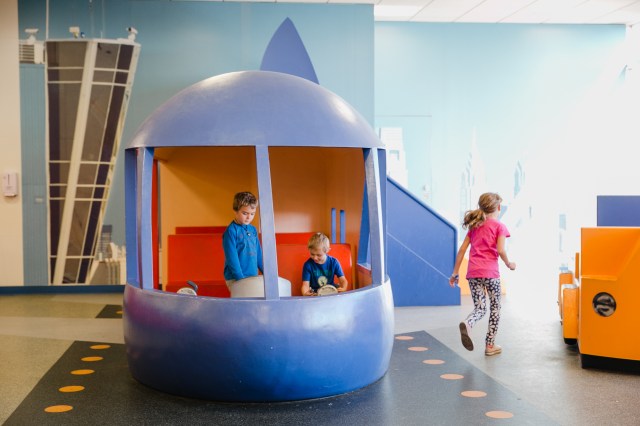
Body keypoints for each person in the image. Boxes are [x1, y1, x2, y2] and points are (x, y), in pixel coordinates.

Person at [449, 192, 516, 356]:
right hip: (491, 274)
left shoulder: (474, 226)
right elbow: (500, 250)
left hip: (473, 273)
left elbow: (462, 250)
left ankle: (468, 322)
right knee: (495, 308)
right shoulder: (499, 226)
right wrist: (508, 263)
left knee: (480, 308)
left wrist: (455, 273)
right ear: (498, 207)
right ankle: (490, 345)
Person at [222, 192, 263, 287]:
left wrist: (268, 274)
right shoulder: (231, 231)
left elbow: (259, 254)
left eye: (252, 214)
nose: (249, 217)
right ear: (235, 211)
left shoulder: (253, 230)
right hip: (235, 278)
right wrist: (241, 280)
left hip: (252, 277)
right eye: (245, 213)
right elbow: (232, 258)